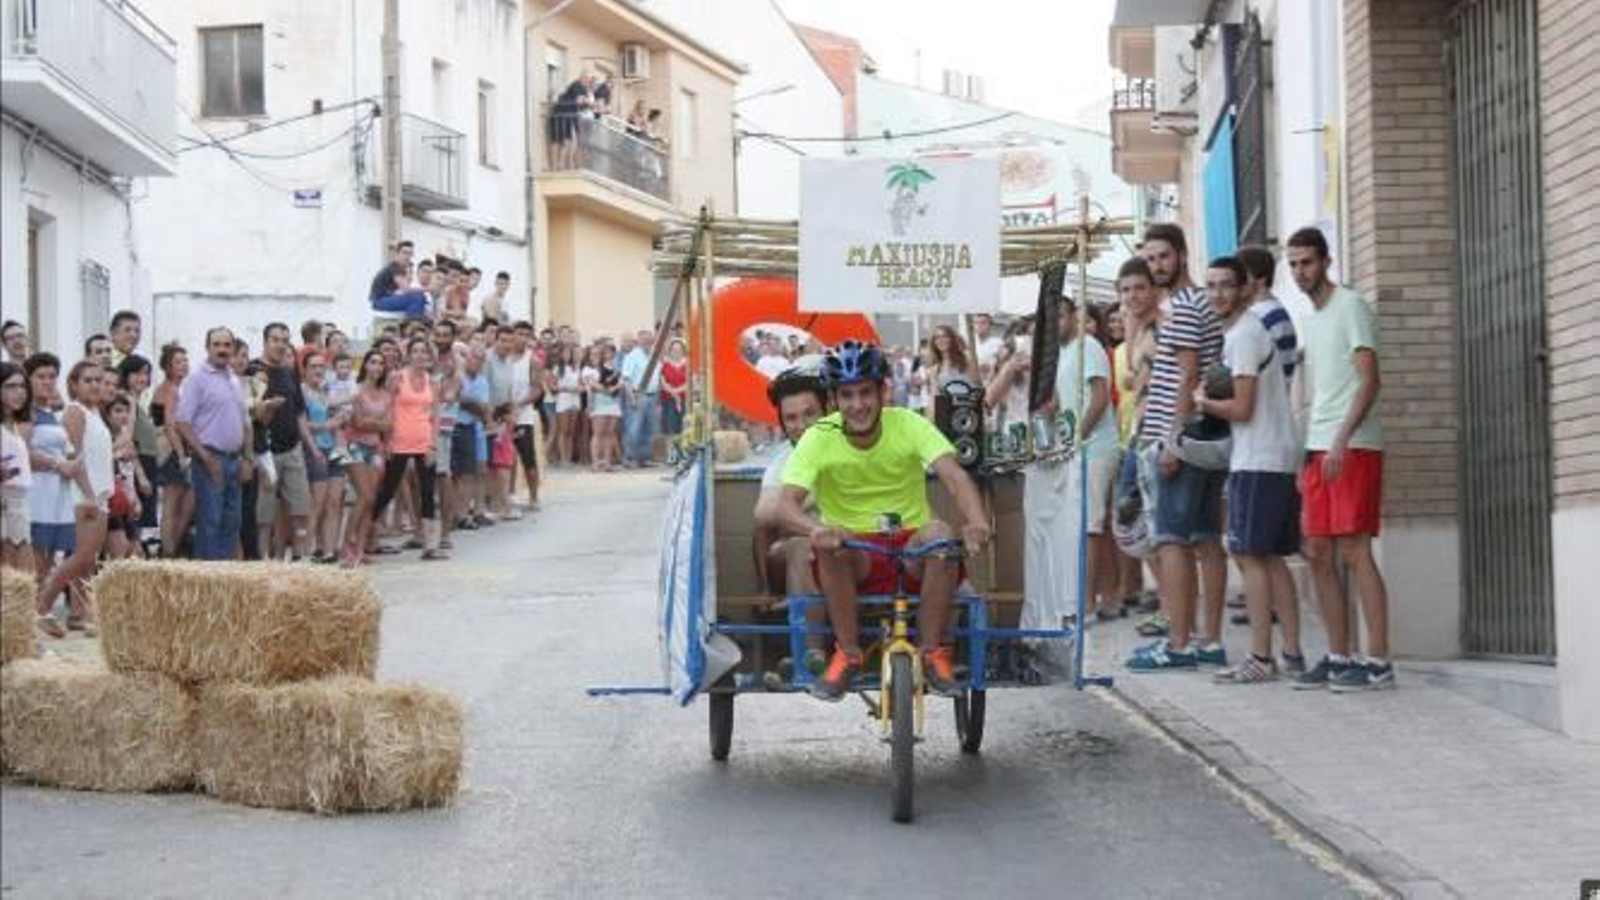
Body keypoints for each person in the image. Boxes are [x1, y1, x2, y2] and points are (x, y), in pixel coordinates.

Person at [771, 341, 993, 700]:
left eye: (865, 393)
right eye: (847, 395)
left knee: (940, 533)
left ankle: (934, 651)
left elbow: (954, 476)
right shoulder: (819, 436)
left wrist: (978, 522)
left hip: (911, 548)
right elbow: (785, 505)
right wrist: (817, 530)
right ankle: (847, 652)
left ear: (883, 392)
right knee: (830, 543)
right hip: (854, 551)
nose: (858, 405)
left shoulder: (908, 423)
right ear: (834, 400)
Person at [1287, 226, 1394, 692]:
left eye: (1306, 262)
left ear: (1326, 261)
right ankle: (1338, 654)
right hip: (1317, 446)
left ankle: (1379, 662)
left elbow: (1369, 380)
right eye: (1292, 264)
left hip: (1352, 445)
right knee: (1316, 553)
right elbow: (1317, 392)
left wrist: (1340, 440)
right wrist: (1304, 454)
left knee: (1354, 550)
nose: (1299, 271)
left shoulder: (1350, 306)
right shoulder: (1309, 319)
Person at [1190, 257, 1305, 683]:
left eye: (1225, 285)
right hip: (1271, 455)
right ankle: (1291, 651)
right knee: (1270, 558)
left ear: (1243, 289)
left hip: (1258, 457)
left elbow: (1241, 407)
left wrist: (1202, 402)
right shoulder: (1244, 334)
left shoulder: (1242, 336)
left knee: (1248, 555)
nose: (1217, 293)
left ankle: (1261, 657)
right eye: (1211, 286)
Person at [1124, 223, 1228, 673]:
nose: (1156, 266)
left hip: (1182, 440)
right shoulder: (1195, 303)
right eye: (1149, 258)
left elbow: (1187, 376)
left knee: (1172, 541)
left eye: (1163, 257)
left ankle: (1180, 645)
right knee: (1205, 539)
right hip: (1203, 435)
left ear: (1182, 256)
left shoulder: (1184, 306)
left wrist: (1171, 438)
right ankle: (1209, 640)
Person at [752, 367, 833, 673]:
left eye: (809, 414)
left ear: (828, 409)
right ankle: (810, 652)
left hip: (856, 542)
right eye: (792, 418)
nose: (801, 425)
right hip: (806, 547)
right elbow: (763, 515)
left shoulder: (850, 444)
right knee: (792, 545)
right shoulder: (784, 459)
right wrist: (807, 498)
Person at [1052, 296, 1122, 622]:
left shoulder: (1087, 345)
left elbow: (1099, 396)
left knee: (1088, 527)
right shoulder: (1062, 352)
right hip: (1077, 445)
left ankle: (1087, 605)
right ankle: (1109, 598)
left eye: (1061, 316)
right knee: (1097, 525)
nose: (1055, 323)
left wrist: (1078, 436)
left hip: (1095, 445)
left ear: (1073, 316)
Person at [34, 361, 113, 637]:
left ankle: (82, 615)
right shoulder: (75, 412)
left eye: (98, 380)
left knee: (89, 561)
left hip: (101, 493)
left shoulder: (95, 412)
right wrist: (90, 495)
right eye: (88, 380)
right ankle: (40, 606)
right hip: (83, 495)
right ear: (74, 384)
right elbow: (74, 458)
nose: (94, 385)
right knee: (80, 557)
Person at [173, 327, 249, 561]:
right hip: (210, 458)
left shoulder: (234, 380)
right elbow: (182, 422)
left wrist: (248, 457)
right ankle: (208, 579)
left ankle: (222, 577)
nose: (222, 350)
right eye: (216, 345)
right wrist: (206, 458)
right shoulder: (196, 380)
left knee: (231, 521)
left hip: (234, 459)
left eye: (226, 345)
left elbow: (244, 421)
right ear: (207, 348)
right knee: (210, 521)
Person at [371, 339, 447, 560]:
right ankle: (366, 533)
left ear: (429, 356)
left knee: (427, 492)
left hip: (424, 441)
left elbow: (436, 416)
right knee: (387, 490)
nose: (420, 355)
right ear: (409, 355)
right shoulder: (397, 377)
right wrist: (385, 441)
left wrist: (433, 444)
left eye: (424, 351)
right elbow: (386, 409)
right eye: (415, 351)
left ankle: (430, 545)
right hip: (399, 441)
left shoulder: (433, 382)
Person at [256, 323, 317, 561]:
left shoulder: (290, 371)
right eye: (275, 339)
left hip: (293, 448)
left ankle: (301, 555)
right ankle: (264, 560)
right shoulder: (255, 370)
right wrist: (266, 408)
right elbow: (250, 412)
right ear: (265, 341)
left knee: (301, 507)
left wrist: (311, 447)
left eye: (284, 340)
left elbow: (299, 412)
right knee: (265, 515)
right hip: (266, 451)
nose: (280, 344)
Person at [25, 353, 76, 582]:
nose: (47, 382)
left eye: (52, 376)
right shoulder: (27, 414)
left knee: (46, 563)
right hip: (36, 492)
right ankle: (32, 612)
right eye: (41, 376)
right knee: (34, 561)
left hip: (56, 492)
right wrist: (57, 464)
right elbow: (21, 454)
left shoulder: (51, 413)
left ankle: (39, 610)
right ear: (28, 379)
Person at [340, 349, 391, 567]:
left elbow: (389, 425)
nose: (377, 367)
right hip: (353, 446)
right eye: (373, 362)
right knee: (365, 495)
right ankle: (346, 543)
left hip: (375, 447)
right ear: (365, 365)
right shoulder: (356, 391)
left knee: (371, 500)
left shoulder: (387, 395)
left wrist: (372, 423)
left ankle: (360, 549)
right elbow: (357, 423)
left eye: (381, 363)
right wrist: (375, 423)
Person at [301, 351, 346, 564]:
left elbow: (338, 421)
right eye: (313, 366)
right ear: (305, 369)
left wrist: (340, 420)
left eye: (321, 366)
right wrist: (326, 426)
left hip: (335, 449)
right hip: (316, 449)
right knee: (316, 503)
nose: (318, 370)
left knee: (335, 502)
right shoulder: (302, 392)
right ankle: (306, 551)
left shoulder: (326, 391)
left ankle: (329, 550)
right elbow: (300, 424)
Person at [151, 344, 193, 558]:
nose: (184, 365)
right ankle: (168, 552)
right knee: (172, 504)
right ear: (167, 366)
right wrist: (181, 454)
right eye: (178, 362)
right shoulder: (171, 389)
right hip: (172, 451)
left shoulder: (171, 387)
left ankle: (171, 548)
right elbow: (170, 425)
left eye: (185, 360)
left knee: (181, 504)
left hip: (175, 450)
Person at [101, 393, 145, 560]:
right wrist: (117, 454)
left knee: (133, 550)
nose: (123, 416)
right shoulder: (106, 437)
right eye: (118, 411)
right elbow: (103, 465)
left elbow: (128, 474)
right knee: (120, 549)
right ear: (108, 415)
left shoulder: (126, 436)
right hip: (111, 499)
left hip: (126, 498)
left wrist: (134, 497)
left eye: (126, 411)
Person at [0, 361, 33, 572]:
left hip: (20, 505)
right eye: (11, 386)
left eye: (22, 386)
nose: (19, 392)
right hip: (4, 505)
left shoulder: (13, 425)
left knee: (21, 579)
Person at [621, 328, 658, 467]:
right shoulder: (632, 356)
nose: (648, 341)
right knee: (633, 428)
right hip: (637, 395)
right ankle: (630, 458)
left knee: (649, 429)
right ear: (639, 340)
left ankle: (644, 458)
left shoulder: (653, 356)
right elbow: (626, 380)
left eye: (650, 339)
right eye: (645, 339)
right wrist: (632, 398)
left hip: (652, 396)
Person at [368, 240, 432, 318]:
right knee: (416, 297)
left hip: (387, 298)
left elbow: (403, 290)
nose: (407, 257)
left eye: (410, 254)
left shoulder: (401, 268)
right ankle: (412, 325)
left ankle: (419, 323)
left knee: (421, 298)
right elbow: (406, 289)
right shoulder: (395, 267)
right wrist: (429, 289)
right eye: (405, 253)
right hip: (379, 301)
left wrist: (409, 271)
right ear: (397, 253)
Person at [584, 342, 623, 471]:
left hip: (613, 404)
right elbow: (592, 386)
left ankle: (607, 462)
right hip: (599, 404)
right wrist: (590, 404)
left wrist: (615, 387)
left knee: (610, 434)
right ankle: (595, 463)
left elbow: (620, 383)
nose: (607, 355)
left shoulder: (615, 369)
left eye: (610, 352)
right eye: (605, 353)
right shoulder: (593, 369)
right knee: (597, 434)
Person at [551, 342, 583, 465]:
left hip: (575, 400)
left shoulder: (576, 368)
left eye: (569, 353)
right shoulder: (557, 368)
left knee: (571, 431)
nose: (567, 355)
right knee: (563, 431)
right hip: (563, 400)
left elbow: (580, 384)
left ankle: (568, 457)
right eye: (565, 353)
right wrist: (568, 389)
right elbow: (553, 387)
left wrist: (580, 388)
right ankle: (563, 458)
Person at [659, 338, 688, 439]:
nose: (677, 352)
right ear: (670, 351)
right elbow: (662, 382)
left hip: (684, 400)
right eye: (674, 350)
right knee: (669, 428)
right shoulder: (665, 364)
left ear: (683, 351)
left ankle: (680, 454)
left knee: (683, 427)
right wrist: (674, 394)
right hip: (668, 401)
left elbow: (690, 382)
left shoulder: (688, 364)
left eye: (679, 350)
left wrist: (677, 392)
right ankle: (670, 452)